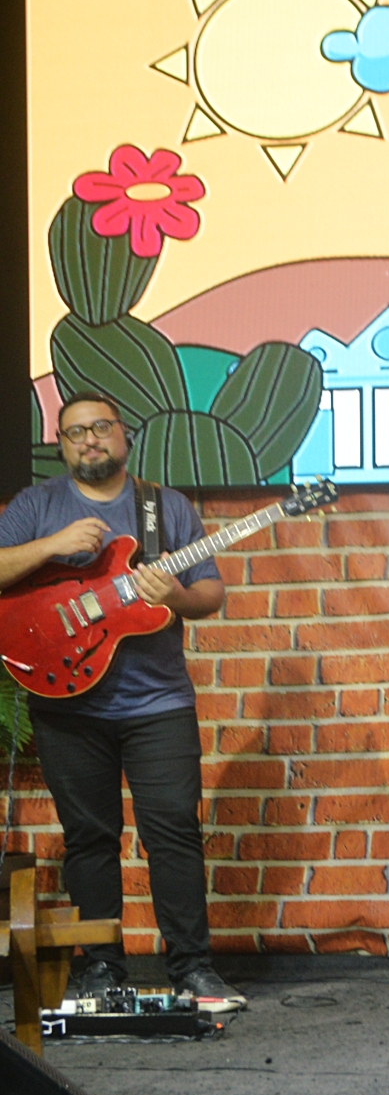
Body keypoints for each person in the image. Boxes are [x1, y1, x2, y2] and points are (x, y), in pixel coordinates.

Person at [0, 392, 244, 1011]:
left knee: (174, 834)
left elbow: (209, 592)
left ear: (124, 435)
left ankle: (193, 970)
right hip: (66, 705)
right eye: (74, 432)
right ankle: (102, 969)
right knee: (88, 838)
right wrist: (51, 545)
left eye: (100, 427)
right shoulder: (37, 506)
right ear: (62, 444)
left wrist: (174, 597)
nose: (89, 440)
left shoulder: (166, 507)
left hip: (158, 703)